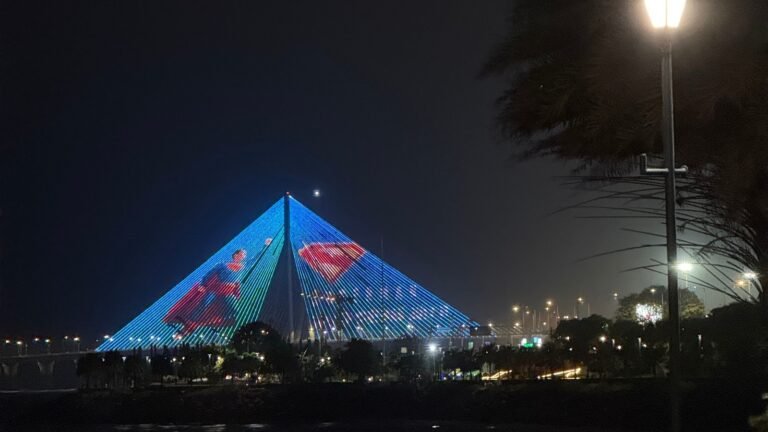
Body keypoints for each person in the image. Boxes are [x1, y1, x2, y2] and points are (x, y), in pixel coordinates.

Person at [163, 249, 247, 338]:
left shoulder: (243, 266)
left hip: (228, 292)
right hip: (215, 290)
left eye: (245, 255)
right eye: (242, 254)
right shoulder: (222, 265)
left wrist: (264, 247)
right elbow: (208, 274)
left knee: (233, 310)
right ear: (236, 255)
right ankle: (186, 328)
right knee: (202, 307)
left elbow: (254, 260)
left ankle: (200, 326)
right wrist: (202, 284)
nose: (244, 256)